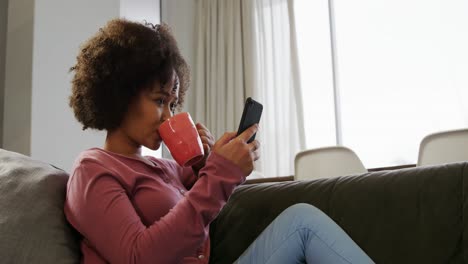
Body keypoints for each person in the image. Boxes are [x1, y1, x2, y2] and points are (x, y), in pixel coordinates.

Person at [64, 19, 374, 264]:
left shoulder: (167, 169)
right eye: (160, 100)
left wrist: (208, 161)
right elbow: (138, 256)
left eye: (173, 104)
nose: (168, 117)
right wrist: (219, 173)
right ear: (119, 94)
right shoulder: (92, 170)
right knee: (302, 225)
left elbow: (205, 198)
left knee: (301, 222)